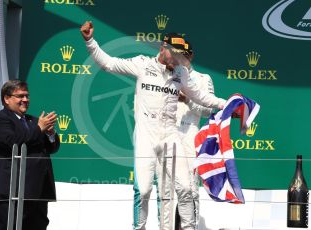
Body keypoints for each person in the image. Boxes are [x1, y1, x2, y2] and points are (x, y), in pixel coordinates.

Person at [80, 21, 226, 230]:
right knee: (145, 189)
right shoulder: (143, 64)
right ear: (162, 49)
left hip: (170, 135)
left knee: (185, 188)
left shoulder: (181, 73)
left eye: (181, 56)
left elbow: (201, 97)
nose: (178, 60)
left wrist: (228, 105)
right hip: (146, 136)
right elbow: (108, 63)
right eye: (174, 54)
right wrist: (89, 40)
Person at [0, 80, 60, 230]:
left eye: (27, 96)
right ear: (7, 99)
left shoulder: (33, 121)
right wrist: (39, 128)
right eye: (20, 96)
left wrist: (50, 134)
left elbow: (51, 148)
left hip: (38, 192)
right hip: (11, 191)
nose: (25, 100)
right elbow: (14, 143)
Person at [158, 40, 215, 230]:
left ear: (191, 56)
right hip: (168, 133)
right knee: (165, 188)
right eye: (180, 54)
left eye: (187, 55)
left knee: (191, 189)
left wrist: (188, 100)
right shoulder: (167, 75)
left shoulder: (203, 78)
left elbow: (208, 111)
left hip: (190, 133)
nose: (184, 58)